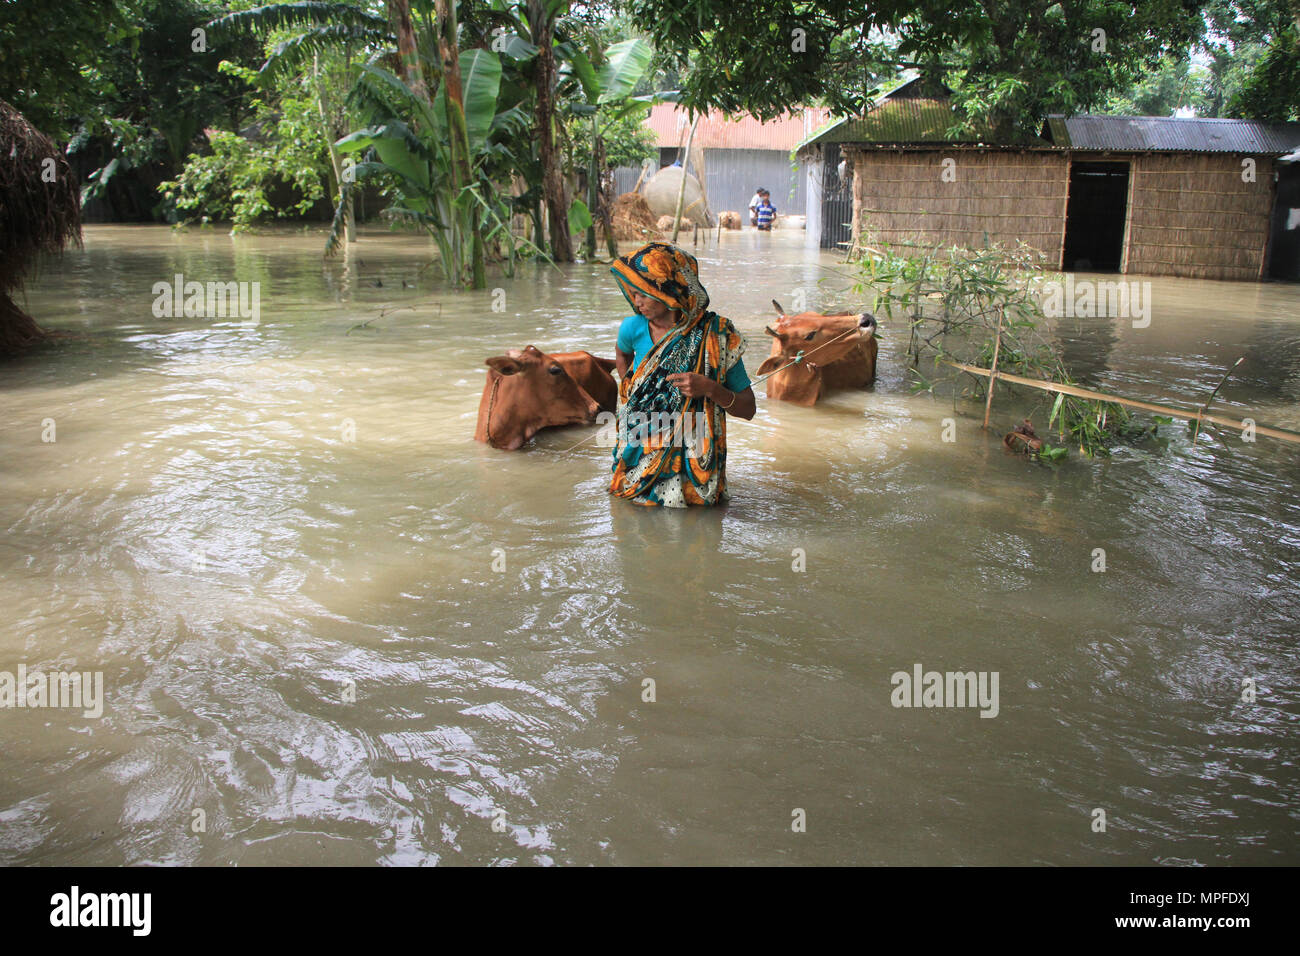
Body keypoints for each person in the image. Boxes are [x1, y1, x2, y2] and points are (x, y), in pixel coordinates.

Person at [609, 242, 756, 507]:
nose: (636, 302)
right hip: (640, 435)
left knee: (693, 520)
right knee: (633, 516)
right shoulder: (632, 328)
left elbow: (748, 409)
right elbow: (622, 355)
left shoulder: (717, 335)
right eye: (632, 294)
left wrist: (710, 388)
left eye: (643, 293)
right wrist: (629, 383)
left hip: (696, 443)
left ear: (670, 291)